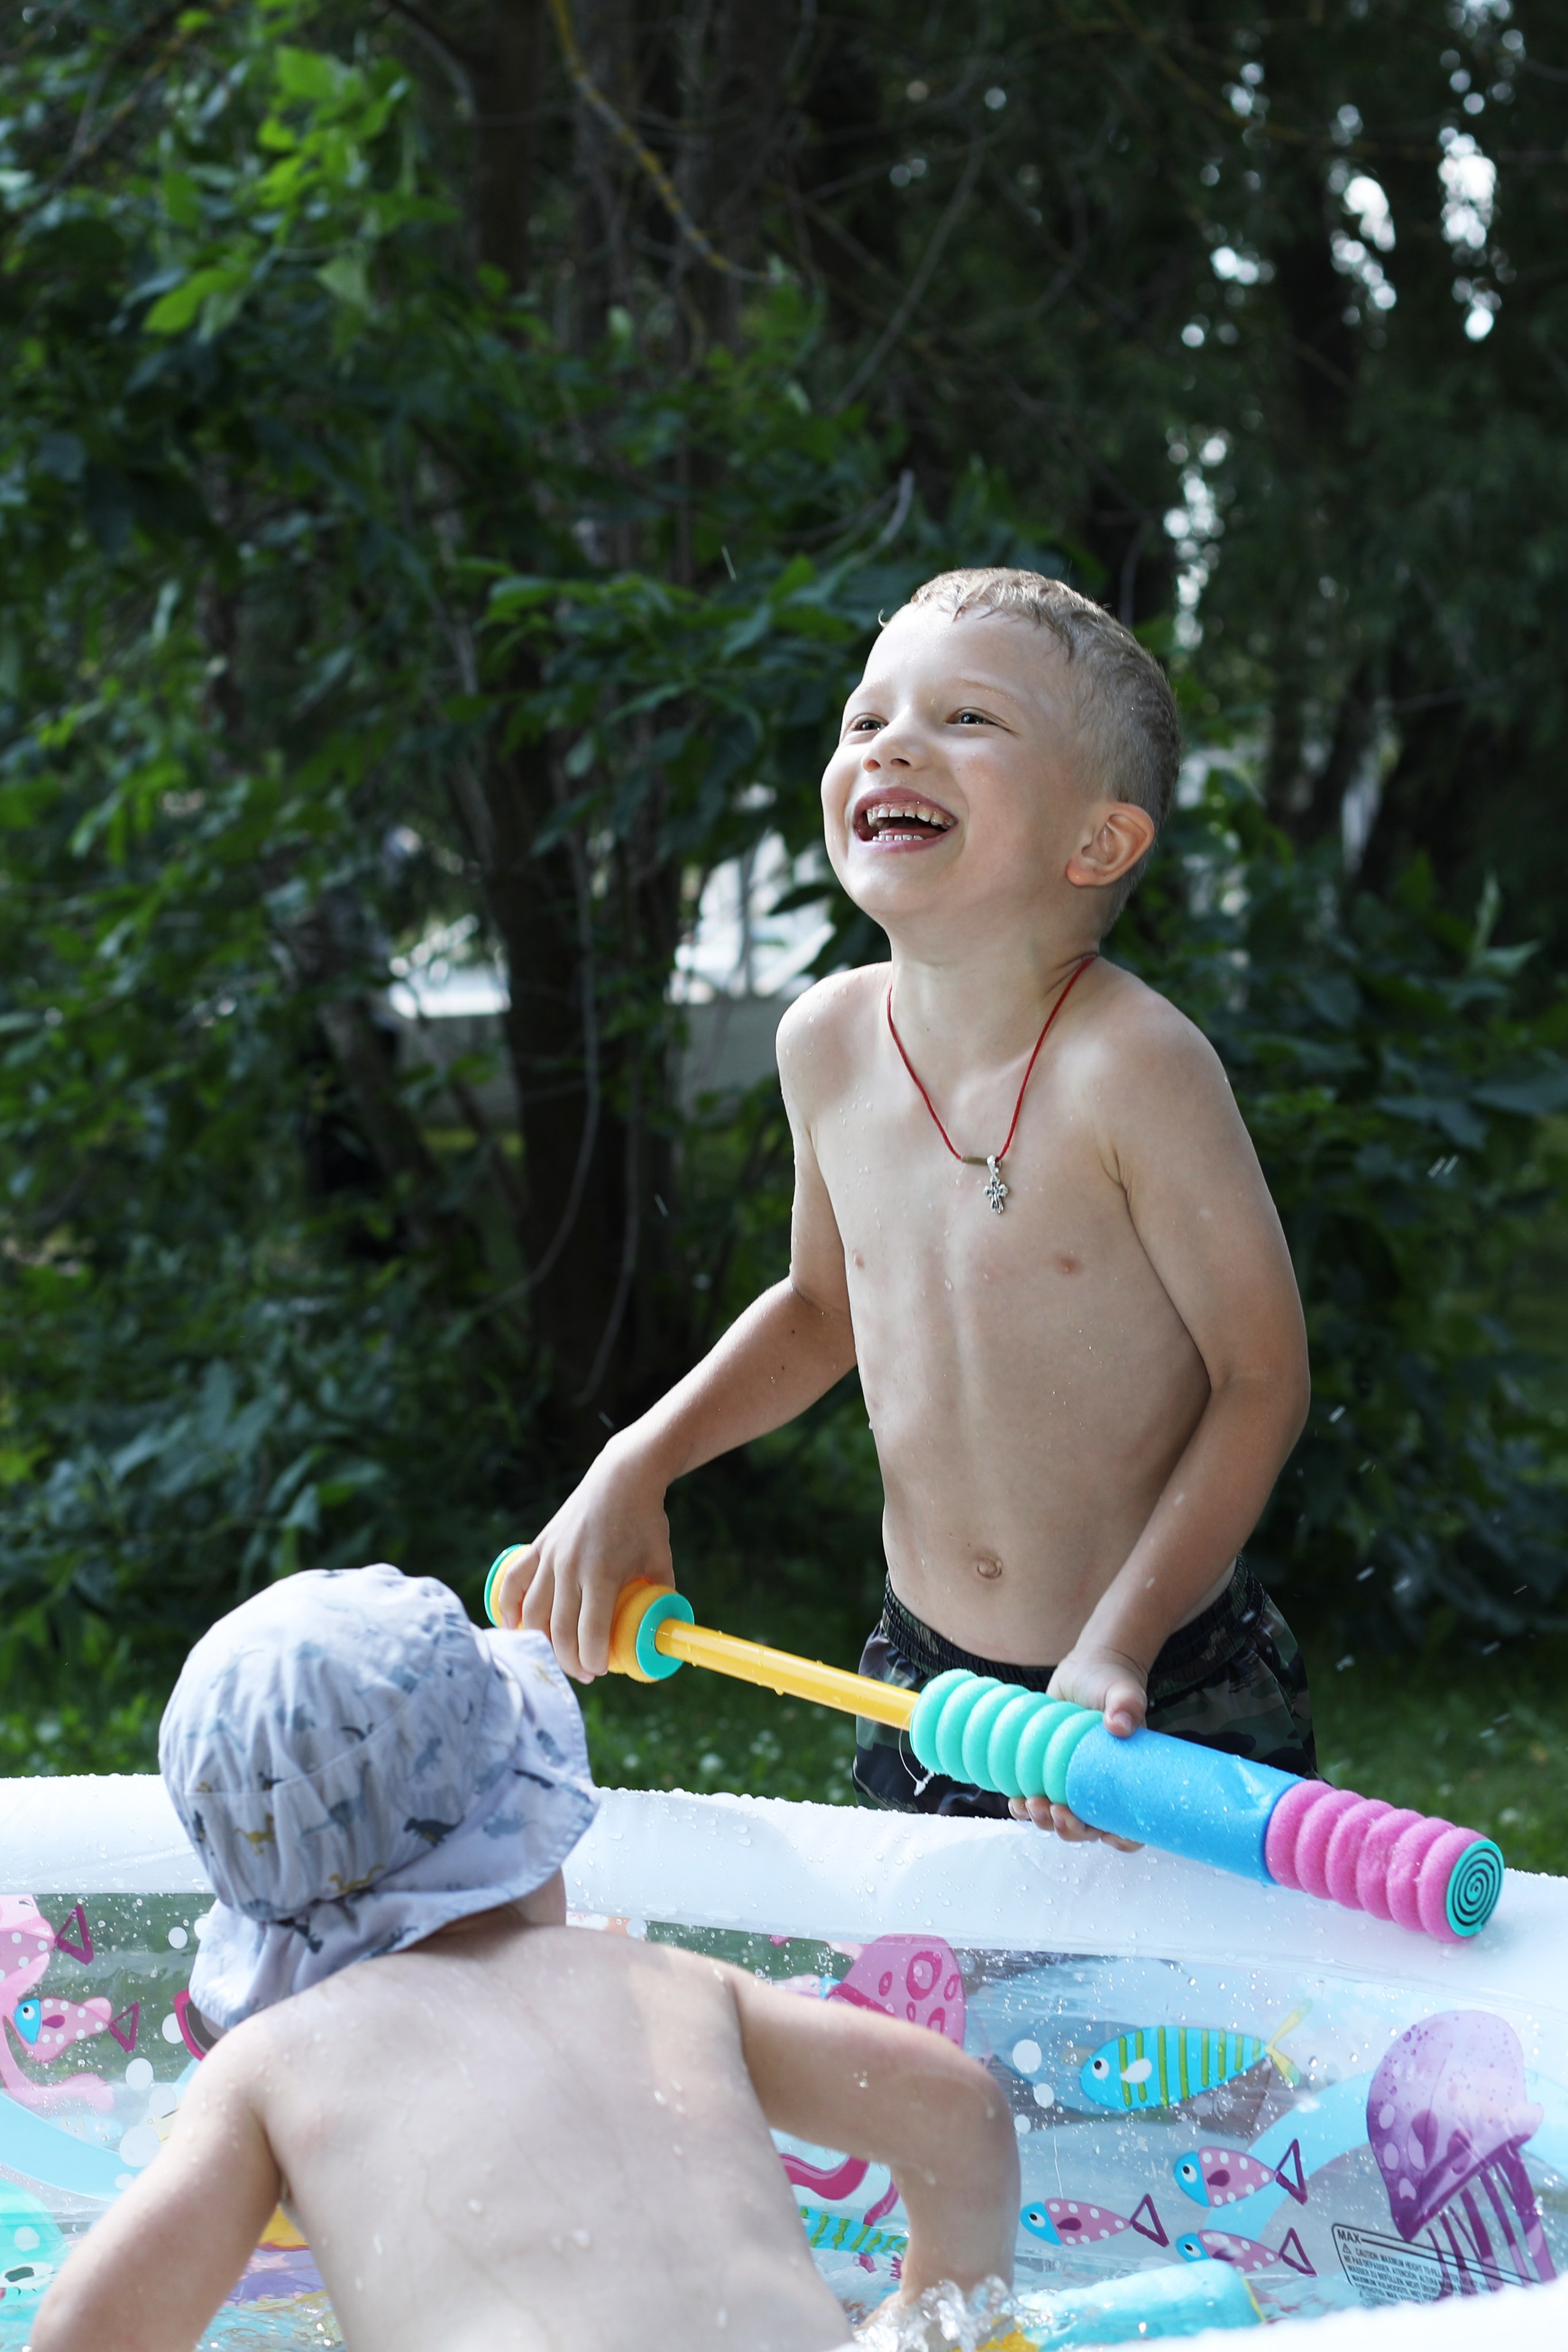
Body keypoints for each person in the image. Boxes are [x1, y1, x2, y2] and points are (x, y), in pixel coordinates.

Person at [493, 567, 1314, 1837]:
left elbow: (1260, 1377)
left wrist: (1115, 1651)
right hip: (924, 1687)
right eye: (864, 719)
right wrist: (636, 1458)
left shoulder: (1130, 1066)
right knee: (930, 2035)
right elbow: (822, 1309)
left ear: (1095, 840)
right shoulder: (825, 1041)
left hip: (1154, 1688)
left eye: (965, 719)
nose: (891, 745)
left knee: (1201, 2035)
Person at [32, 1566, 1017, 2352]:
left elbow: (88, 2329)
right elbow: (958, 2109)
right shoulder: (667, 1986)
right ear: (524, 1810)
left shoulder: (269, 2067)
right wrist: (936, 2314)